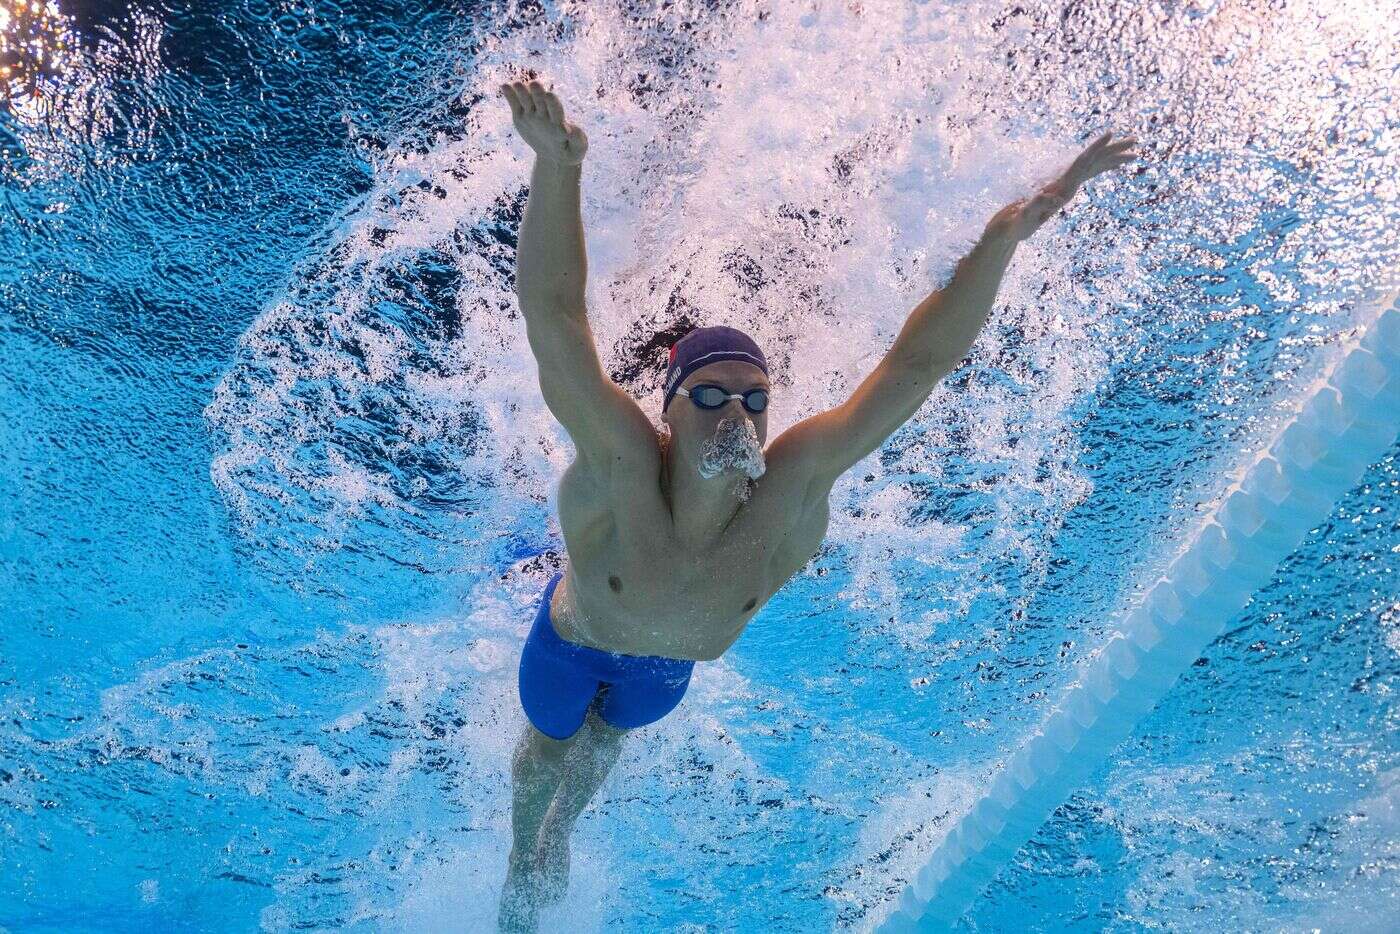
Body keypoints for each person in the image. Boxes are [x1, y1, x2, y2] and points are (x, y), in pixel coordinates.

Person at [495, 75, 1137, 931]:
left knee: (600, 756)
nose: (739, 415)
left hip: (662, 677)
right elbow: (554, 318)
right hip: (572, 648)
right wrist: (558, 168)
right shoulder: (620, 463)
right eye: (713, 397)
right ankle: (518, 873)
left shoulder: (794, 484)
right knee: (544, 763)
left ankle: (561, 837)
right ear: (670, 408)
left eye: (755, 398)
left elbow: (914, 368)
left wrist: (1006, 236)